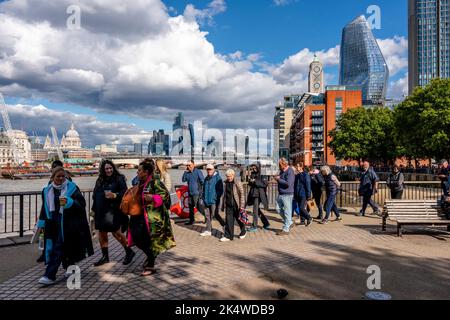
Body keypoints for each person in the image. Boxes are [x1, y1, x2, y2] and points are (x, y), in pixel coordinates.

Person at [37, 167, 94, 286]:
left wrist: (70, 202)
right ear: (52, 177)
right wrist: (41, 224)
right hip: (52, 223)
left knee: (57, 248)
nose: (61, 179)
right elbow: (44, 208)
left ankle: (49, 275)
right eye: (58, 176)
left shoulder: (72, 188)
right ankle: (70, 268)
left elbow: (81, 204)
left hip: (68, 224)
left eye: (63, 176)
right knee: (63, 247)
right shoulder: (46, 191)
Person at [128, 160, 176, 276]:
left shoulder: (155, 182)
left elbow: (165, 196)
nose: (137, 172)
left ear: (146, 172)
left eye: (139, 170)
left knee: (149, 241)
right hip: (138, 216)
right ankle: (151, 257)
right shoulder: (140, 182)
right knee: (136, 238)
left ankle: (151, 264)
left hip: (151, 218)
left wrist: (153, 197)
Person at [91, 160, 135, 267]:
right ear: (103, 169)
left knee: (116, 233)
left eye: (110, 168)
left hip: (113, 210)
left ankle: (129, 251)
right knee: (102, 233)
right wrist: (93, 209)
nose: (109, 170)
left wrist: (115, 195)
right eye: (106, 168)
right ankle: (105, 257)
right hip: (101, 210)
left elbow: (125, 193)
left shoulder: (119, 178)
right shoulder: (100, 180)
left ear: (113, 168)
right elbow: (95, 195)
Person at [220, 169, 246, 242]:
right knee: (228, 220)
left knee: (239, 219)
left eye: (230, 176)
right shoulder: (225, 183)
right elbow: (224, 195)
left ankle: (243, 230)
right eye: (228, 176)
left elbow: (242, 194)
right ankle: (228, 236)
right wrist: (222, 205)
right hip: (228, 205)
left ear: (233, 175)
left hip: (236, 204)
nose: (229, 178)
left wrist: (242, 206)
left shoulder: (237, 182)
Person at [201, 164, 225, 237]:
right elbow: (204, 189)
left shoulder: (218, 178)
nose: (209, 171)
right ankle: (208, 230)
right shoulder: (206, 178)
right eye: (207, 169)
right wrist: (203, 197)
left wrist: (215, 197)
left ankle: (224, 226)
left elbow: (220, 190)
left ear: (213, 169)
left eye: (210, 169)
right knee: (207, 215)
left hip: (214, 200)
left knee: (215, 214)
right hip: (206, 200)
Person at [246, 164, 271, 232]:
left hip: (259, 194)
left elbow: (264, 184)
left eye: (255, 168)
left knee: (255, 210)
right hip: (253, 193)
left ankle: (254, 226)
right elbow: (250, 184)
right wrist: (250, 181)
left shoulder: (263, 174)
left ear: (258, 167)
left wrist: (255, 181)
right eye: (252, 168)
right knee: (257, 210)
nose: (253, 169)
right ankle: (266, 223)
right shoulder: (252, 173)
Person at [275, 158, 295, 236]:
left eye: (280, 165)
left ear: (284, 164)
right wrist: (277, 178)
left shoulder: (290, 171)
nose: (279, 166)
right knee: (277, 208)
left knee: (287, 211)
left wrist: (279, 179)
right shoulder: (282, 171)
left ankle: (286, 229)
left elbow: (288, 184)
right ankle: (289, 222)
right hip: (281, 193)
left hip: (287, 194)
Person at [182, 160, 206, 225]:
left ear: (193, 165)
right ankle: (191, 221)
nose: (188, 166)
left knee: (198, 206)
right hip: (190, 192)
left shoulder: (198, 172)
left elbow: (203, 181)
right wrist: (185, 172)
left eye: (189, 165)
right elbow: (183, 180)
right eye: (187, 165)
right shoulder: (187, 173)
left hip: (197, 193)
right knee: (190, 207)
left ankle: (207, 217)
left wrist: (202, 192)